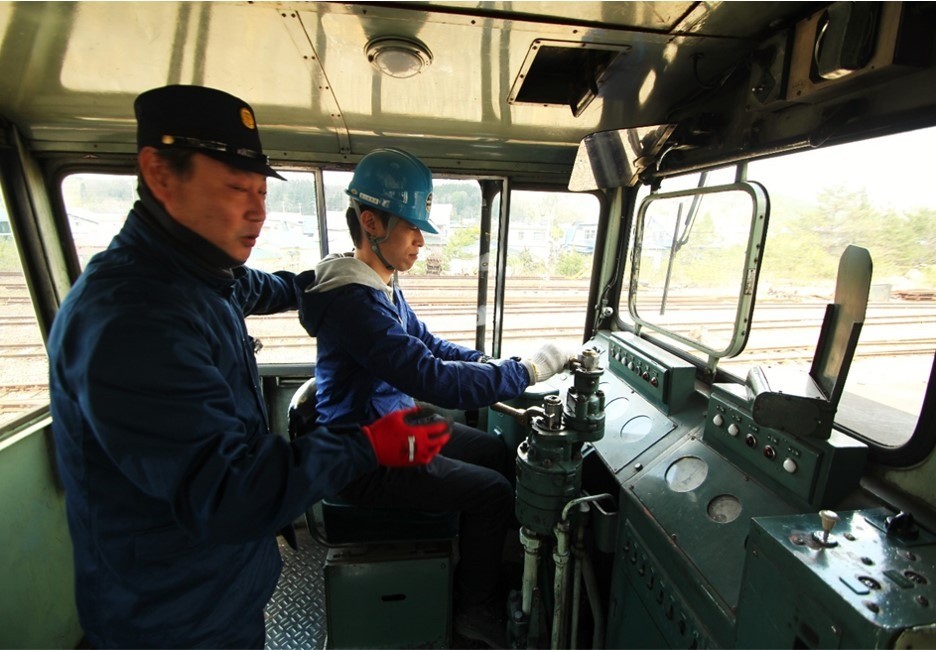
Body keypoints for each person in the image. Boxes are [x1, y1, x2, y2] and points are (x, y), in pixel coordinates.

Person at [48, 86, 451, 649]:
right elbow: (230, 493)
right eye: (237, 189)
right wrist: (369, 445)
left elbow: (273, 286)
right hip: (171, 616)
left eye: (261, 190)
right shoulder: (133, 318)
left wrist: (341, 276)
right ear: (160, 174)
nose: (258, 210)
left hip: (217, 584)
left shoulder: (202, 275)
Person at [297, 147, 576, 648]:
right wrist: (529, 370)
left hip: (398, 425)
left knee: (494, 452)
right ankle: (474, 609)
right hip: (367, 454)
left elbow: (431, 346)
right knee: (492, 494)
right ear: (372, 222)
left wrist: (497, 364)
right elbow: (432, 377)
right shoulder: (352, 302)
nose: (421, 242)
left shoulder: (381, 285)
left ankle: (488, 571)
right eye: (412, 228)